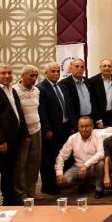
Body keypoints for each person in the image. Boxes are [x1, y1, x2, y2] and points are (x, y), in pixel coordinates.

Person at [0, 64, 28, 206]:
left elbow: (18, 112)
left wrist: (24, 134)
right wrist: (0, 141)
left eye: (9, 73)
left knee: (9, 172)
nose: (7, 75)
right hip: (0, 143)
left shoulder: (12, 90)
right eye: (3, 73)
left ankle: (9, 199)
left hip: (14, 139)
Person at [37, 62, 73, 195]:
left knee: (62, 156)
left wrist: (72, 125)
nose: (56, 73)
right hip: (51, 130)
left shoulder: (62, 86)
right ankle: (48, 186)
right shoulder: (41, 88)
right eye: (53, 71)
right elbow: (41, 111)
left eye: (58, 71)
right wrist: (47, 129)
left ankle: (59, 181)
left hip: (64, 127)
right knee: (49, 158)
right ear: (46, 73)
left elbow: (69, 107)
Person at [55, 117, 105, 198]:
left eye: (87, 126)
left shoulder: (99, 136)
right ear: (78, 127)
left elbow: (101, 153)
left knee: (101, 164)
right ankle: (83, 182)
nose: (84, 129)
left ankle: (98, 188)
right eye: (81, 126)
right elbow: (61, 156)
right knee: (63, 182)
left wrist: (85, 165)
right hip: (78, 167)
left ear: (92, 126)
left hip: (93, 166)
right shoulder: (72, 138)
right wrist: (59, 173)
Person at [12, 65, 42, 200]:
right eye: (31, 75)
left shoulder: (37, 90)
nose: (34, 78)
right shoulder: (14, 90)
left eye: (36, 76)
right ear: (22, 76)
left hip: (37, 129)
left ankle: (32, 191)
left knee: (34, 162)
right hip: (22, 132)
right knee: (21, 163)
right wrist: (23, 133)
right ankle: (21, 193)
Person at [59, 58, 94, 128]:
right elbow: (67, 106)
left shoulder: (88, 81)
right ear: (71, 68)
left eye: (82, 67)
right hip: (75, 120)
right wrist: (72, 125)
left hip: (90, 117)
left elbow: (93, 100)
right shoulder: (64, 83)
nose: (79, 69)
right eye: (77, 66)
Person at [88, 59, 112, 128]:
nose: (107, 68)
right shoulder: (92, 81)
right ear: (100, 67)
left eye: (109, 66)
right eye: (104, 66)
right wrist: (98, 120)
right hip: (99, 117)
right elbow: (92, 102)